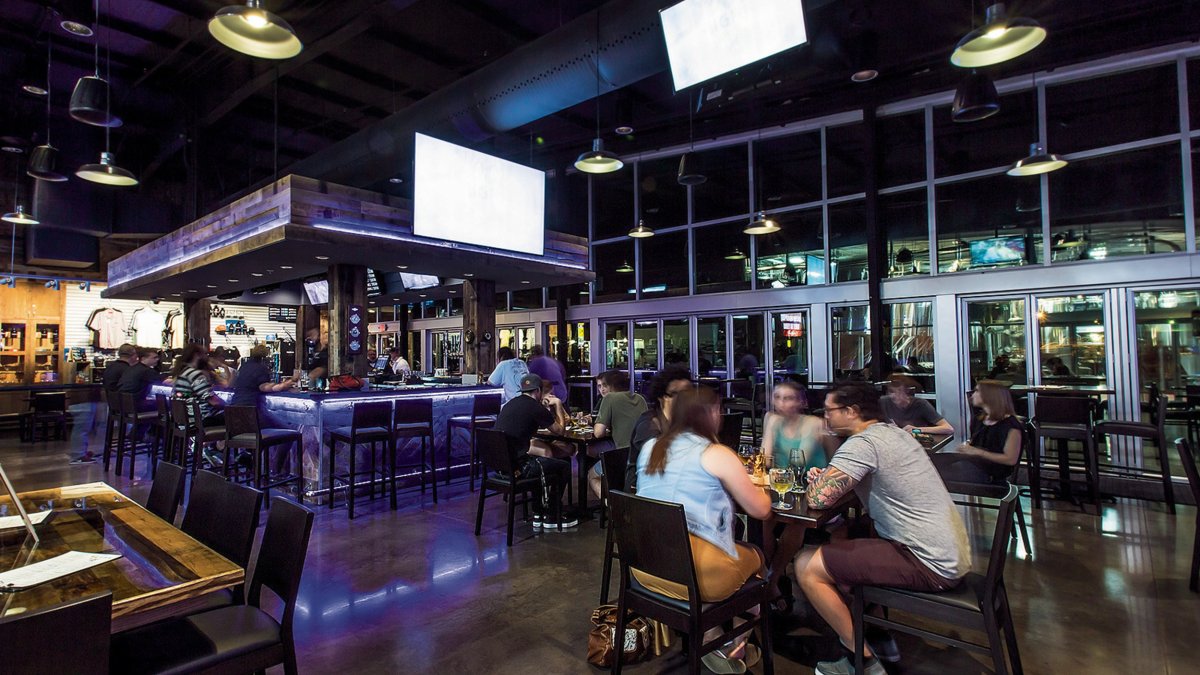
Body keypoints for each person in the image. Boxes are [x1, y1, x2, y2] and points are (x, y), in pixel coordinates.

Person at [795, 382, 971, 675]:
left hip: (926, 560)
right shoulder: (892, 433)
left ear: (851, 411)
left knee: (805, 564)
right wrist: (828, 477)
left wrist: (821, 482)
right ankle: (879, 637)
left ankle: (861, 660)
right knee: (846, 541)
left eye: (829, 411)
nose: (825, 418)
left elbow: (817, 498)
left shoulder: (863, 443)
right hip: (947, 551)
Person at [635, 387, 772, 673]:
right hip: (697, 580)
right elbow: (761, 510)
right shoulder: (716, 453)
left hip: (645, 569)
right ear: (710, 414)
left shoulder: (651, 448)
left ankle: (714, 637)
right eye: (718, 410)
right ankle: (734, 645)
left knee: (733, 552)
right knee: (757, 556)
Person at [493, 373, 577, 529]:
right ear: (538, 391)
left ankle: (539, 512)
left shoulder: (511, 403)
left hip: (501, 467)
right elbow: (560, 431)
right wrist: (558, 404)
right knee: (564, 465)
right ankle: (551, 514)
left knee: (546, 462)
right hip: (519, 468)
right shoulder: (535, 407)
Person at [932, 380, 1024, 485]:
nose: (972, 395)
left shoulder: (1011, 425)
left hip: (991, 471)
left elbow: (1010, 459)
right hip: (974, 462)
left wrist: (977, 452)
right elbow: (975, 443)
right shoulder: (980, 419)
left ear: (989, 396)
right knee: (931, 461)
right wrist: (968, 447)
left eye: (977, 391)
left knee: (938, 473)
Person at [627, 364, 693, 490]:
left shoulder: (687, 422)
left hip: (675, 485)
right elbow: (660, 457)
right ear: (661, 397)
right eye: (676, 394)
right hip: (641, 494)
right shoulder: (648, 423)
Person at [587, 370, 647, 499]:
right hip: (644, 455)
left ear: (611, 386)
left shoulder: (610, 398)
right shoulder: (640, 398)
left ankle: (612, 508)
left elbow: (598, 433)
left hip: (623, 457)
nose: (602, 389)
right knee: (593, 450)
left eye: (604, 385)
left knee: (592, 474)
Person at [761, 380, 826, 474]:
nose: (781, 403)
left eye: (788, 398)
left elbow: (798, 464)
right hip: (782, 479)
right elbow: (765, 460)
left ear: (801, 402)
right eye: (777, 397)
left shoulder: (813, 423)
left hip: (810, 481)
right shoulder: (772, 419)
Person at [879, 376, 954, 435]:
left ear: (906, 391)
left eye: (898, 391)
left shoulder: (921, 404)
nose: (893, 396)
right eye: (891, 392)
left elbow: (948, 429)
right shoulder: (884, 402)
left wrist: (916, 430)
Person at [231, 344, 297, 408]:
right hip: (248, 406)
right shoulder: (260, 368)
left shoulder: (244, 366)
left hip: (233, 404)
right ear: (264, 357)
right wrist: (285, 384)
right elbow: (265, 387)